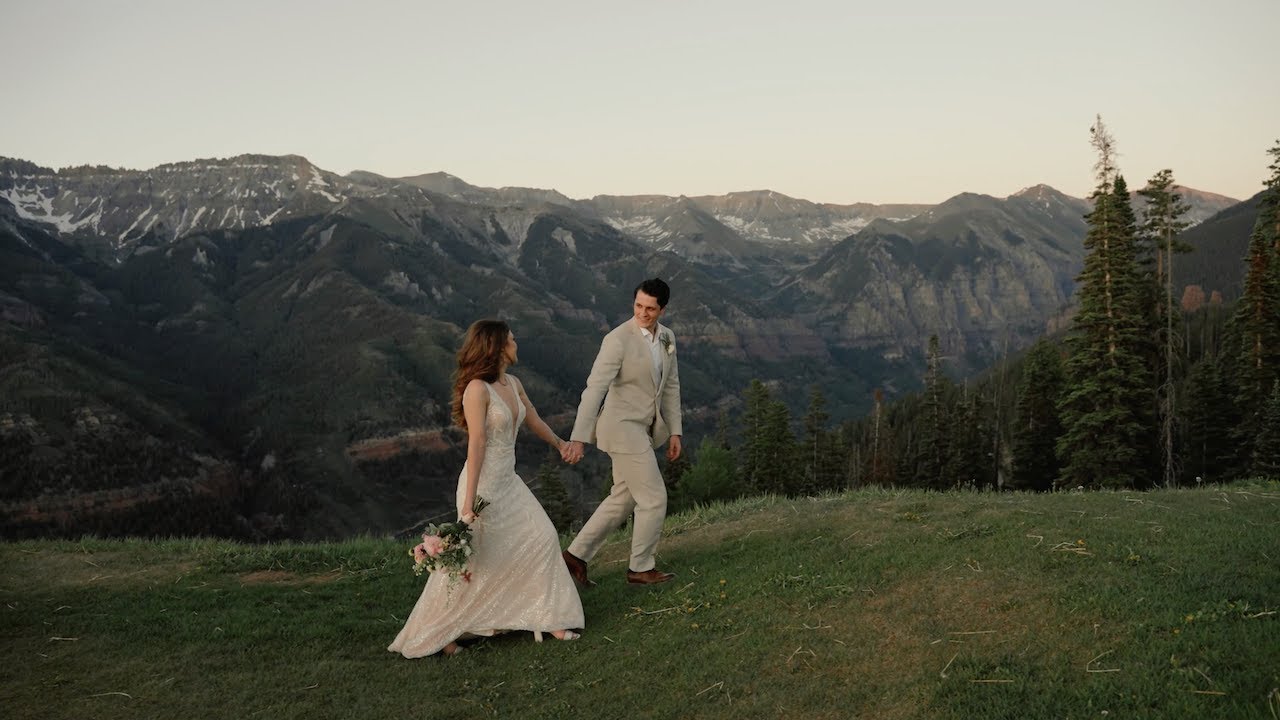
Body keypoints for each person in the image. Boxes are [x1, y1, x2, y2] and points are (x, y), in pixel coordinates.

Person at [388, 320, 584, 658]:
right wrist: (468, 505)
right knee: (473, 562)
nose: (516, 343)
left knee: (543, 537)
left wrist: (560, 443)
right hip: (482, 488)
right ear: (497, 347)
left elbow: (533, 417)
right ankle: (438, 633)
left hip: (509, 481)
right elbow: (477, 443)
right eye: (511, 339)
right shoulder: (477, 390)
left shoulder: (513, 382)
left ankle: (547, 617)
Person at [560, 278, 683, 586]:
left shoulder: (667, 337)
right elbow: (595, 388)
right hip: (621, 427)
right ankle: (640, 568)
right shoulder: (617, 339)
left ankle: (574, 557)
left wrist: (675, 431)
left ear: (663, 309)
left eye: (650, 308)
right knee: (654, 498)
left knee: (624, 497)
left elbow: (670, 386)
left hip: (645, 428)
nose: (642, 313)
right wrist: (579, 437)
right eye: (638, 305)